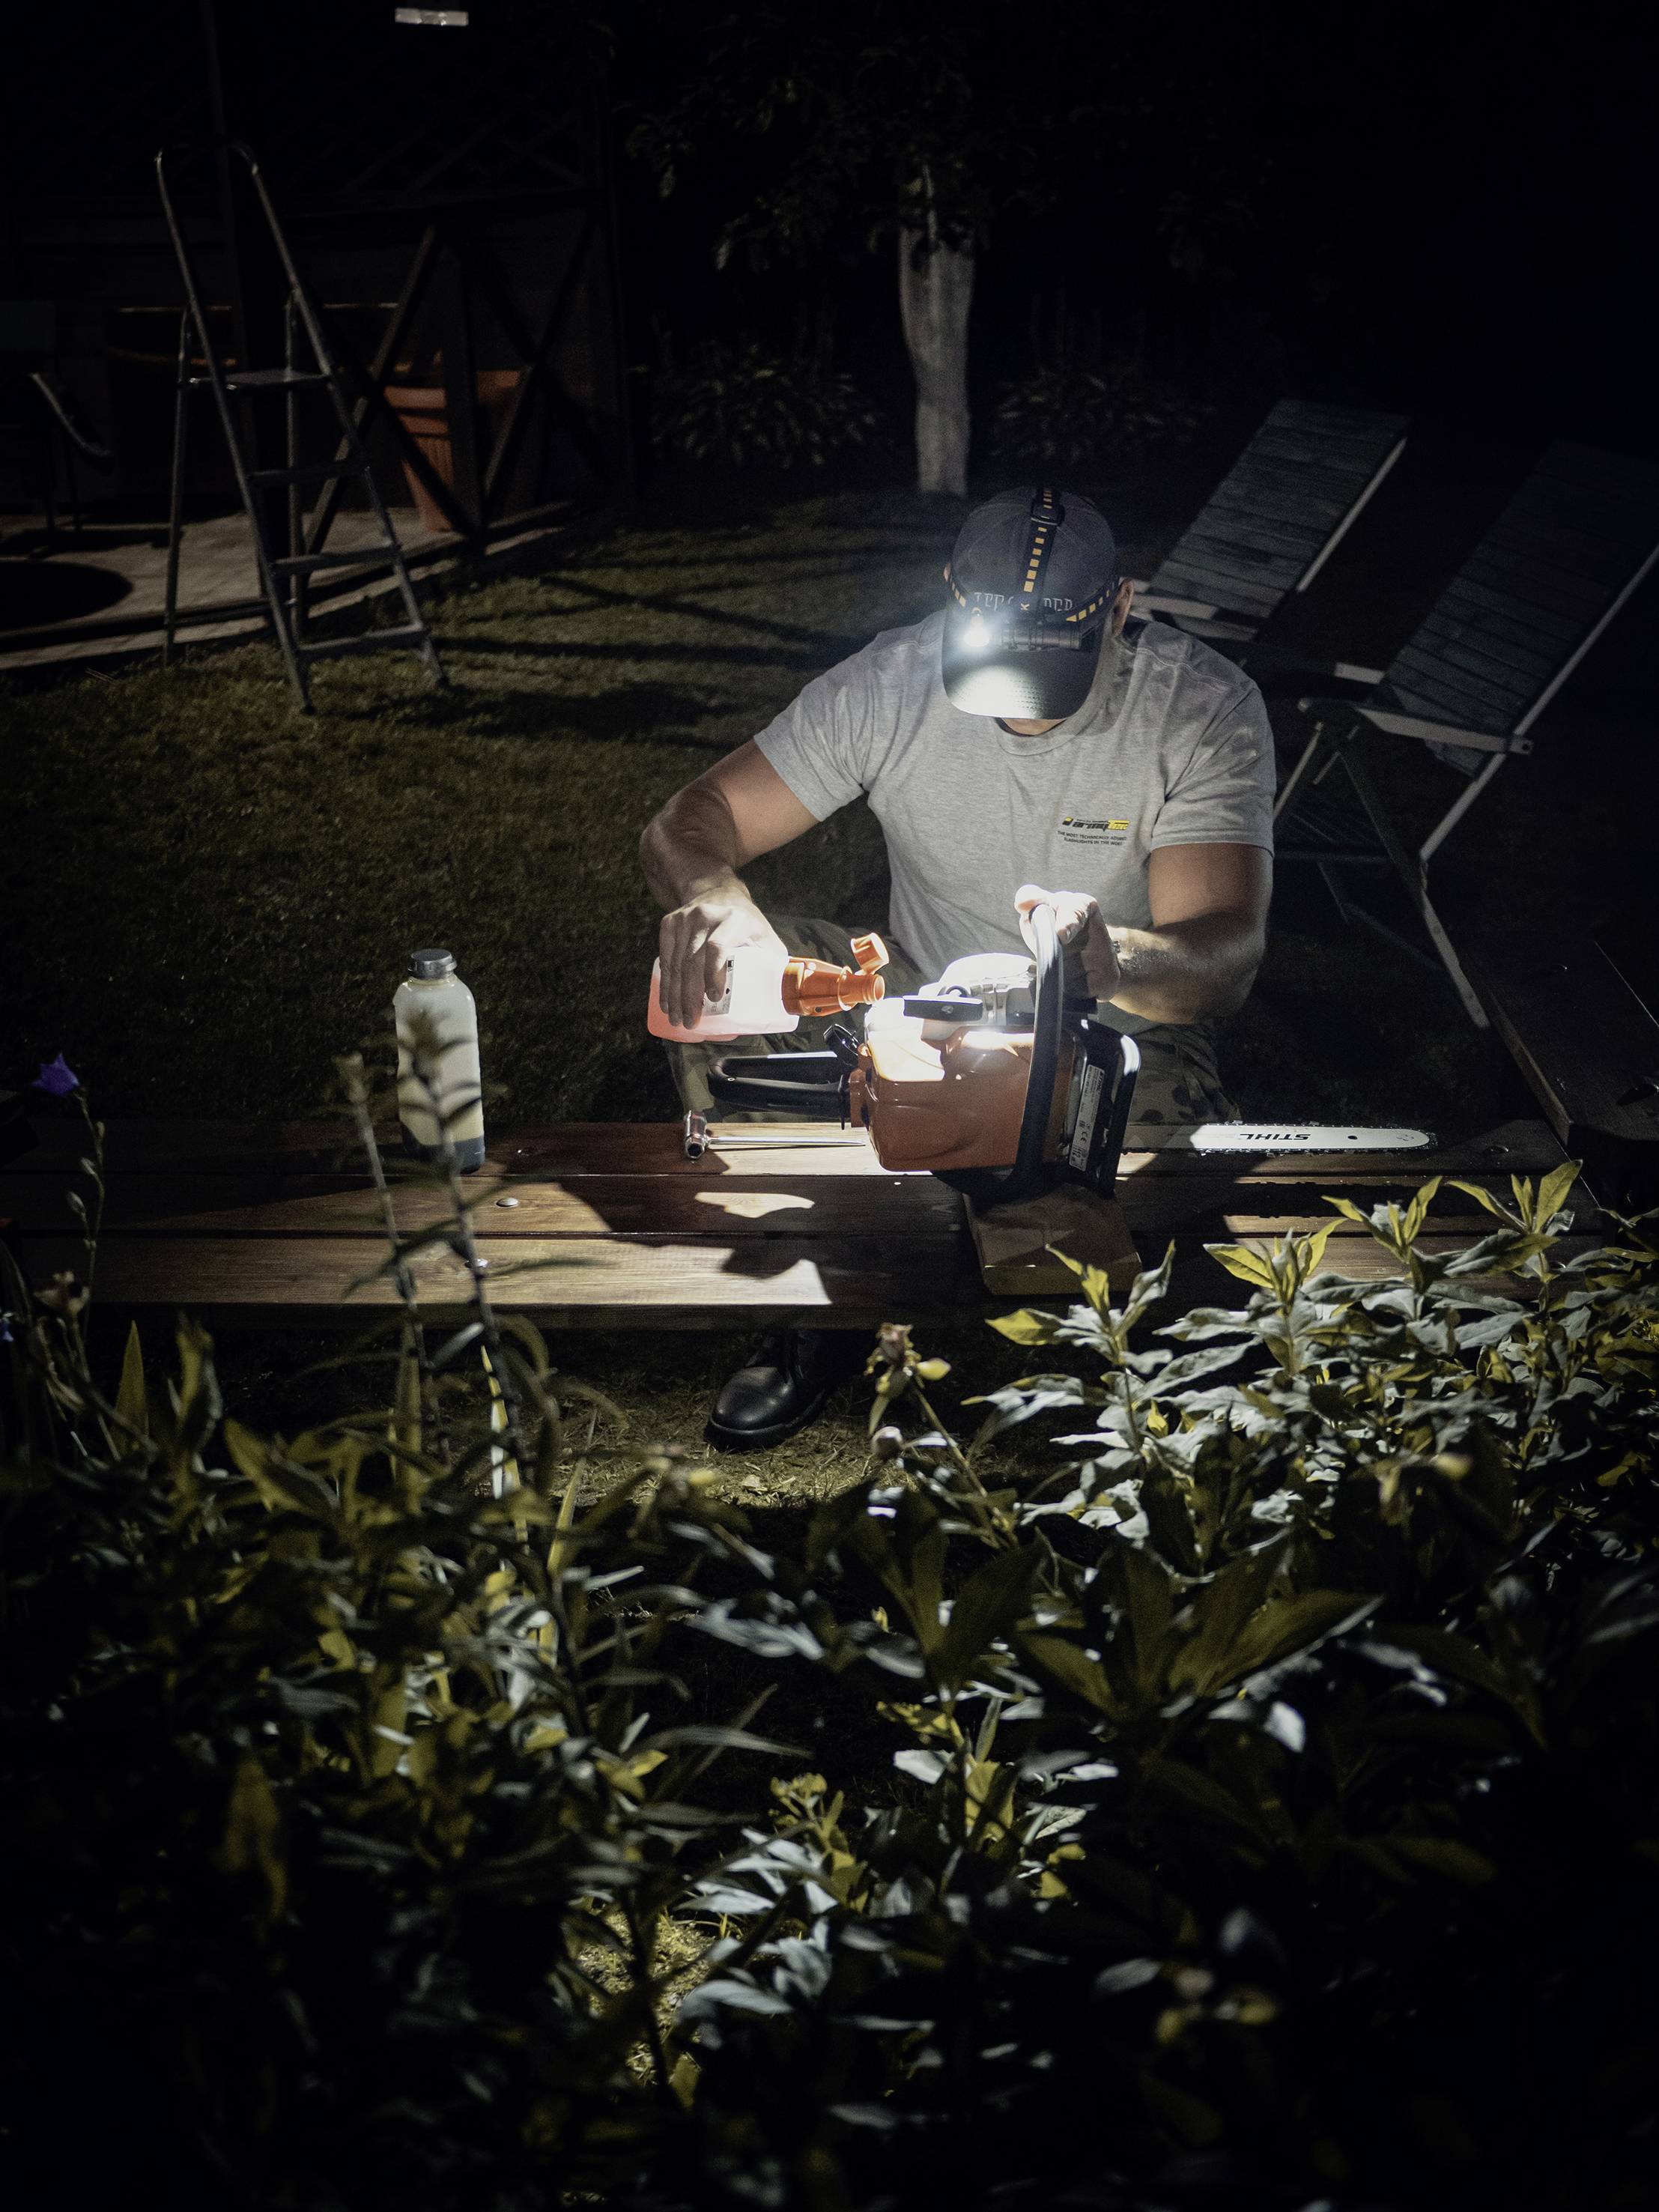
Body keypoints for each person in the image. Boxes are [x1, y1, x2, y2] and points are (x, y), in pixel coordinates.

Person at [640, 485, 1275, 1449]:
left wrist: (1114, 957)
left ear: (1118, 607)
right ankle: (821, 1306)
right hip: (921, 1005)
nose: (1017, 706)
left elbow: (1222, 960)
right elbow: (689, 821)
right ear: (949, 596)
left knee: (1133, 1209)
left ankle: (1119, 1364)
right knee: (735, 973)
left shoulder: (1198, 708)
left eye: (1049, 665)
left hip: (1108, 1029)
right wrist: (713, 899)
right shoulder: (889, 684)